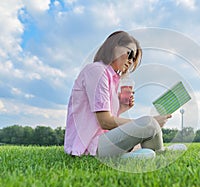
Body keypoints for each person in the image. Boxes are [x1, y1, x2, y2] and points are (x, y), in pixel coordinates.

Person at [64, 30, 185, 159]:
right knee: (148, 122)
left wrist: (121, 107)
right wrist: (149, 123)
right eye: (130, 54)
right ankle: (141, 154)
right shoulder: (97, 71)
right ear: (114, 47)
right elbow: (105, 122)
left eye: (133, 59)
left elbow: (104, 119)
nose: (130, 61)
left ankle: (154, 152)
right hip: (90, 145)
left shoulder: (111, 77)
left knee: (148, 124)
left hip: (103, 140)